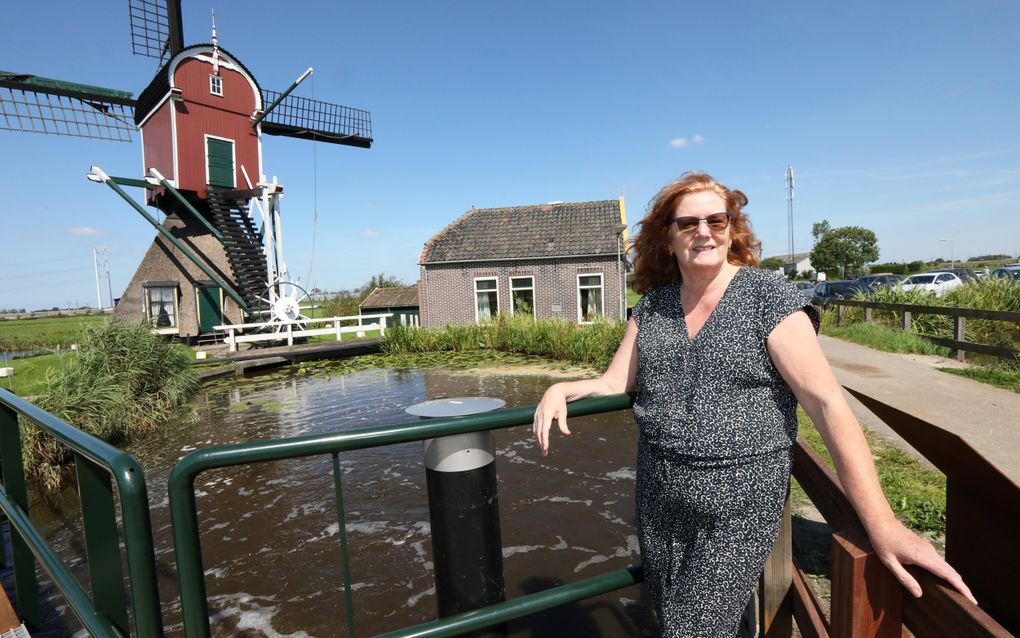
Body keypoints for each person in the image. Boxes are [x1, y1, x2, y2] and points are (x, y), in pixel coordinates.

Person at [532, 172, 975, 636]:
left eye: (716, 220)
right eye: (687, 224)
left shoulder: (769, 297)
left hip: (739, 501)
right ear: (668, 236)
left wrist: (881, 522)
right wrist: (561, 388)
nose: (703, 232)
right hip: (660, 493)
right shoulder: (651, 308)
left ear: (731, 228)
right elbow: (613, 382)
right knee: (669, 611)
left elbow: (826, 404)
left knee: (694, 630)